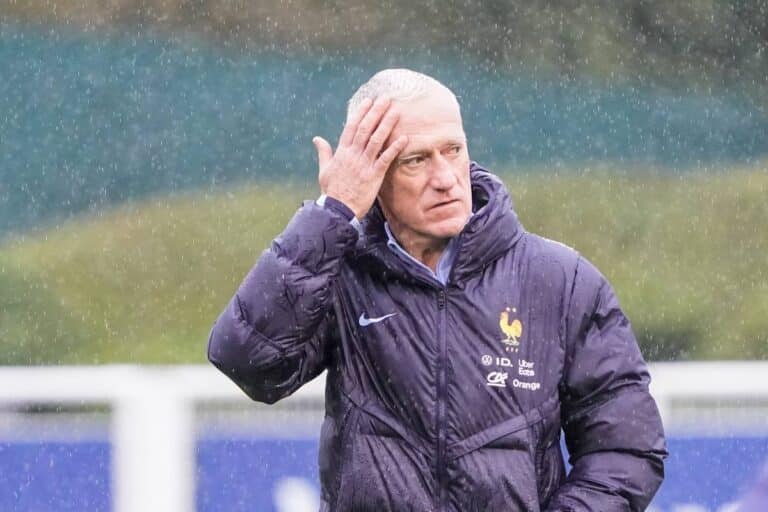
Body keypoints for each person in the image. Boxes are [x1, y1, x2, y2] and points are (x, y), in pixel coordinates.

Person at [207, 68, 667, 511]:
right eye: (416, 160)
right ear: (373, 175)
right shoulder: (339, 273)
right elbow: (250, 363)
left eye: (453, 150)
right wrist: (333, 214)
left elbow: (627, 449)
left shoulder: (561, 281)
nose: (445, 177)